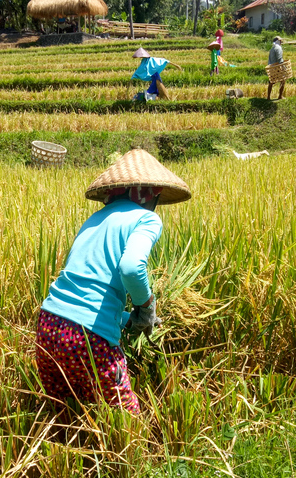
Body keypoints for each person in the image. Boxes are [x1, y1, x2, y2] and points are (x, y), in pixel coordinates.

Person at [35, 149, 191, 414]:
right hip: (88, 338)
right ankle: (132, 456)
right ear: (151, 194)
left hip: (49, 325)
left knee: (66, 412)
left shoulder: (94, 220)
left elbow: (83, 291)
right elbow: (131, 268)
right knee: (124, 419)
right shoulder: (147, 218)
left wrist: (127, 319)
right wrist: (147, 305)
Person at [267, 36, 285, 100]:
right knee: (283, 80)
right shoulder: (278, 48)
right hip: (277, 67)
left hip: (271, 67)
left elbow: (269, 59)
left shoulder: (272, 48)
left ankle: (268, 97)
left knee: (271, 82)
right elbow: (279, 58)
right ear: (278, 41)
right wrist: (283, 67)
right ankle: (280, 96)